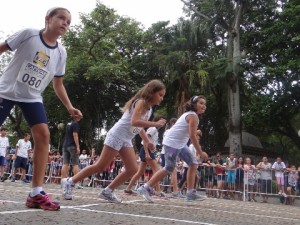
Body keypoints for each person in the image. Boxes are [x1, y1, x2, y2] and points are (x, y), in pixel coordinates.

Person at [0, 7, 82, 210]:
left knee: (44, 135)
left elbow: (58, 84)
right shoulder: (29, 34)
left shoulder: (61, 52)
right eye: (61, 18)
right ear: (48, 19)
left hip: (32, 97)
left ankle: (36, 193)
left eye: (68, 22)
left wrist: (70, 107)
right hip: (6, 91)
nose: (65, 23)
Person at [61, 79, 166, 203]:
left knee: (132, 168)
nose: (161, 98)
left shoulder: (149, 109)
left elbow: (138, 127)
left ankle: (108, 191)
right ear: (152, 92)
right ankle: (69, 182)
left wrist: (147, 141)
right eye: (160, 95)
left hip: (126, 139)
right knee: (100, 166)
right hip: (117, 135)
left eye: (163, 96)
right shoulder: (140, 102)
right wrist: (155, 124)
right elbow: (134, 121)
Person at [137, 95, 208, 202]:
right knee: (169, 167)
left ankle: (190, 193)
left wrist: (195, 133)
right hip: (172, 144)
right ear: (194, 105)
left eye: (204, 104)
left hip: (179, 144)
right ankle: (145, 187)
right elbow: (193, 137)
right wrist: (200, 152)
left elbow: (187, 132)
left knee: (193, 163)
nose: (204, 106)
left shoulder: (191, 115)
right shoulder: (193, 116)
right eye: (201, 103)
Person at [124, 115, 164, 196]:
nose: (163, 123)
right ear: (157, 120)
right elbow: (145, 140)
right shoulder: (153, 129)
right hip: (146, 150)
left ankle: (128, 188)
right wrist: (147, 153)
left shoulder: (155, 130)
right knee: (156, 170)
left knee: (140, 172)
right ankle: (158, 191)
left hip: (147, 150)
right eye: (162, 121)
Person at [61, 115, 82, 187]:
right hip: (72, 145)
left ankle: (63, 181)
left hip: (65, 145)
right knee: (75, 164)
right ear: (76, 117)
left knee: (65, 164)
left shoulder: (68, 124)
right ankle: (77, 183)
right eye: (79, 116)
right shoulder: (75, 124)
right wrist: (78, 146)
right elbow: (75, 135)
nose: (80, 117)